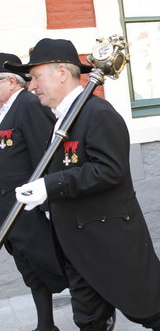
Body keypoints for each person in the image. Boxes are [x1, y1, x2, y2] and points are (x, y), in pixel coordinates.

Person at [7, 38, 160, 331]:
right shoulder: (61, 117)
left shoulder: (98, 113)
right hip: (77, 243)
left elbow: (109, 171)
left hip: (110, 241)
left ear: (61, 73)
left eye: (36, 77)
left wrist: (51, 185)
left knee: (148, 312)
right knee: (89, 320)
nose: (32, 86)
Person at [0, 53, 68, 331]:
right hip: (10, 210)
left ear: (11, 83)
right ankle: (46, 325)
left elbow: (45, 154)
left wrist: (46, 206)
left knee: (55, 264)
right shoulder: (6, 110)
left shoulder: (27, 104)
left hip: (30, 209)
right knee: (31, 270)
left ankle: (99, 308)